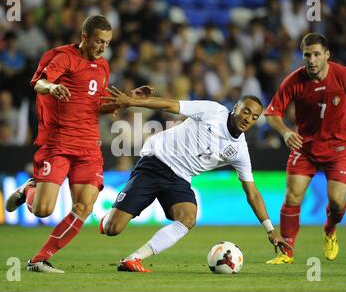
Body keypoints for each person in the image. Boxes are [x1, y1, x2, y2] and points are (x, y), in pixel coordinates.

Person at [99, 87, 292, 272]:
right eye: (246, 111)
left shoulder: (239, 151)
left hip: (179, 178)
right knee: (112, 229)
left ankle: (133, 259)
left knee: (188, 217)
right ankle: (108, 219)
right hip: (156, 160)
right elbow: (170, 105)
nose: (248, 118)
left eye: (254, 117)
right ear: (235, 109)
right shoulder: (213, 111)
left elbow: (252, 193)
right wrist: (132, 101)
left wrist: (270, 229)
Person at [5, 15, 141, 273]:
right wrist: (52, 87)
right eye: (99, 41)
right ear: (85, 37)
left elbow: (95, 104)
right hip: (58, 142)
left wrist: (127, 100)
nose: (102, 48)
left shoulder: (103, 67)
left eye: (107, 43)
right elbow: (39, 83)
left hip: (88, 146)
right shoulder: (65, 58)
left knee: (84, 206)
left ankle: (40, 259)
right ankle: (29, 190)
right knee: (43, 210)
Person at [264, 33, 346, 264]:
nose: (311, 60)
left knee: (336, 202)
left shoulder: (343, 75)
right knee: (292, 196)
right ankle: (287, 251)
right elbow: (271, 113)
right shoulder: (294, 80)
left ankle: (330, 230)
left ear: (326, 55)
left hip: (337, 147)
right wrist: (286, 132)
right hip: (304, 146)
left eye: (316, 54)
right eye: (306, 55)